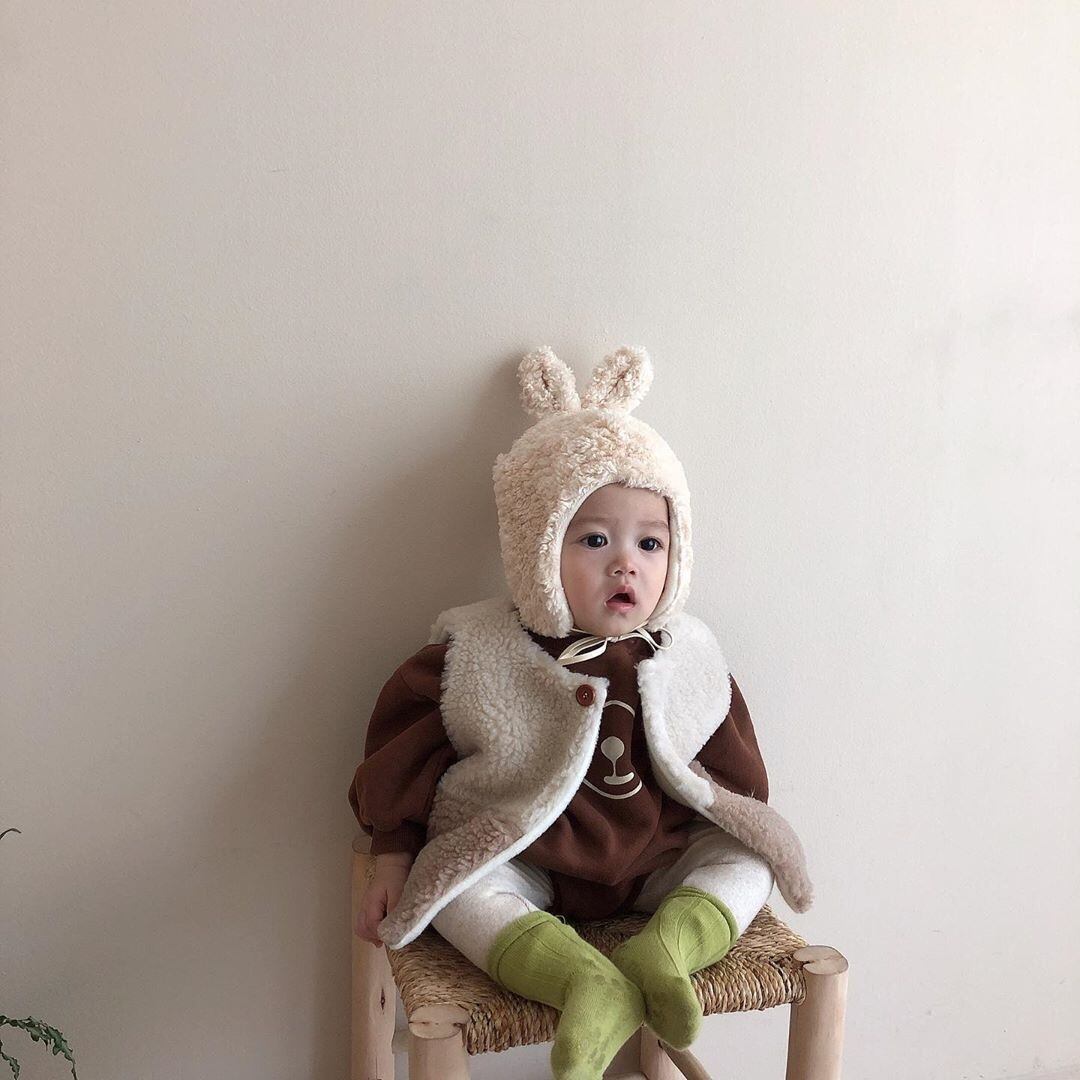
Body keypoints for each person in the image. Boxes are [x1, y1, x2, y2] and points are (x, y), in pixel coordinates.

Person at [349, 345, 813, 1079]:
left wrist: (741, 816)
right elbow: (405, 754)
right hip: (525, 859)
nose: (626, 563)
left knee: (746, 861)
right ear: (537, 546)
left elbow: (731, 769)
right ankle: (580, 979)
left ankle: (668, 948)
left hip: (657, 862)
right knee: (458, 892)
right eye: (595, 539)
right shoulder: (478, 652)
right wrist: (393, 851)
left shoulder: (686, 653)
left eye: (650, 543)